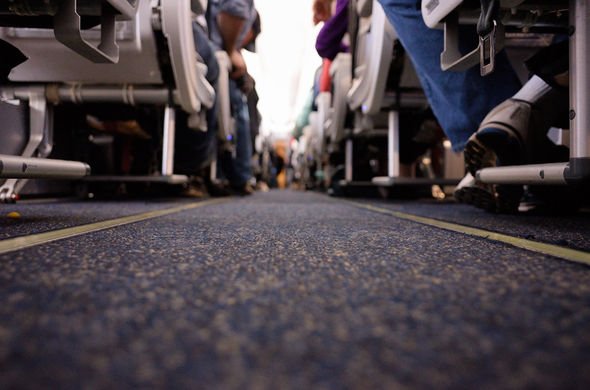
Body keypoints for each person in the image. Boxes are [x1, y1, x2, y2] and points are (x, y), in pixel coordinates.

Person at [207, 0, 257, 195]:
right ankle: (240, 176)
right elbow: (233, 11)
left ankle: (225, 172)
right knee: (238, 103)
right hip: (216, 52)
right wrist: (230, 51)